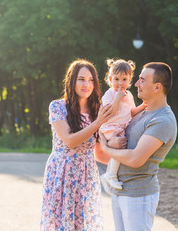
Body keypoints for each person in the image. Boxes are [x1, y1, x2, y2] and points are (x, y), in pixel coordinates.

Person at [96, 62, 177, 231]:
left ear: (157, 87)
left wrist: (106, 147)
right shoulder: (142, 113)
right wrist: (108, 142)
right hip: (120, 191)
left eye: (141, 79)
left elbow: (135, 159)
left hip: (138, 195)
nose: (137, 83)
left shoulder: (162, 120)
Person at [40, 59, 113, 231]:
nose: (86, 84)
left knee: (84, 224)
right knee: (61, 223)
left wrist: (125, 162)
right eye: (81, 79)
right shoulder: (57, 107)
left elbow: (100, 153)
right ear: (72, 81)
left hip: (87, 175)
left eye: (91, 80)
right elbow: (70, 141)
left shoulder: (97, 110)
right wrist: (96, 124)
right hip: (62, 173)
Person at [99, 58, 147, 192]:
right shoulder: (109, 94)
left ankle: (111, 174)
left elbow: (131, 112)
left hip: (121, 127)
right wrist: (118, 97)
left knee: (123, 147)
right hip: (111, 127)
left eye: (124, 79)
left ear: (130, 79)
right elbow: (110, 111)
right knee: (119, 147)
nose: (120, 83)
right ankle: (110, 175)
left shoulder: (129, 95)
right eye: (116, 79)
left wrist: (143, 106)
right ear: (110, 78)